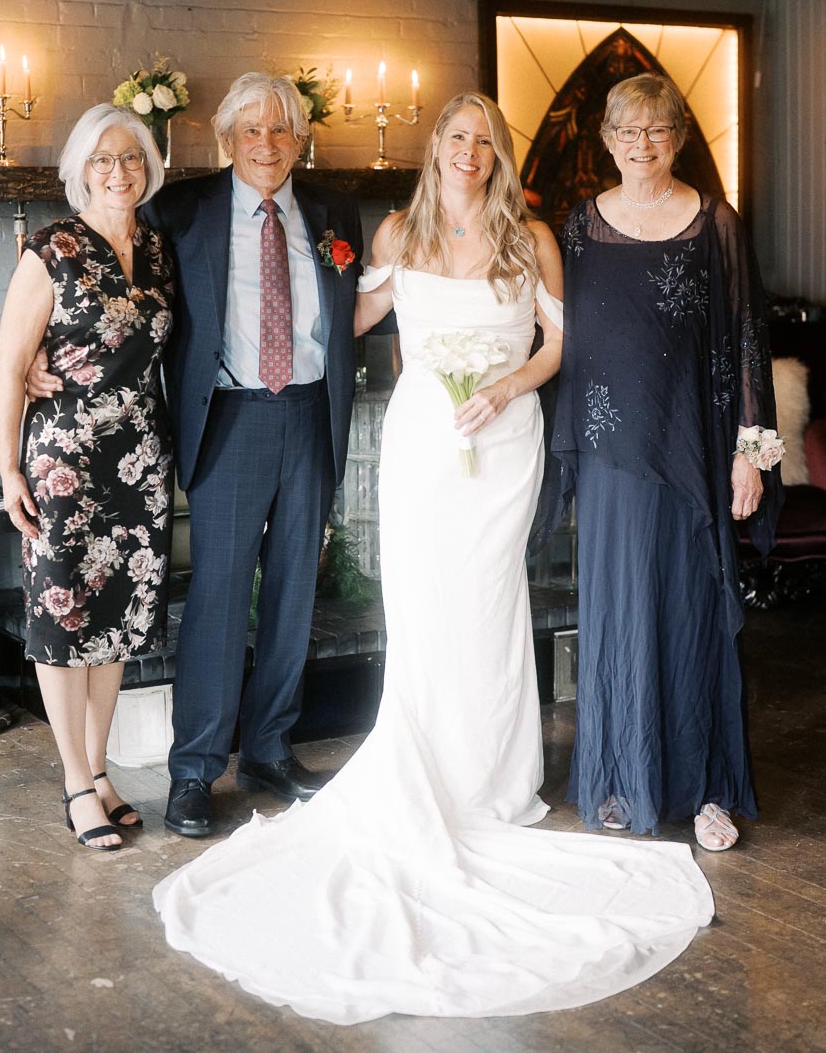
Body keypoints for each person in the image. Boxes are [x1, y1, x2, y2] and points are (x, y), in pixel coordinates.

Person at [152, 92, 713, 1023]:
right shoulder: (396, 233)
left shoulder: (529, 238)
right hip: (421, 446)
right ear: (437, 148)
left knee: (488, 605)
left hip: (501, 443)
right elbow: (348, 316)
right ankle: (422, 767)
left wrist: (504, 387)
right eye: (456, 137)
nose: (468, 152)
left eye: (483, 141)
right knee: (420, 607)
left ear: (497, 155)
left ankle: (495, 779)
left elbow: (560, 344)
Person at [552, 73, 784, 850]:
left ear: (679, 137)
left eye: (657, 131)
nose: (641, 145)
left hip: (697, 453)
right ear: (607, 141)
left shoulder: (716, 221)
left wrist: (753, 458)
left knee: (692, 620)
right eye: (627, 132)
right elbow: (565, 341)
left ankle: (710, 789)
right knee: (618, 620)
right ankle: (621, 778)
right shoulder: (580, 226)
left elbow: (751, 341)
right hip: (612, 458)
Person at [141, 72, 363, 836]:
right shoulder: (181, 211)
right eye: (251, 131)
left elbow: (359, 312)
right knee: (219, 598)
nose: (266, 145)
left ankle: (269, 748)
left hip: (310, 416)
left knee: (295, 593)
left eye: (280, 130)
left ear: (300, 138)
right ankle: (196, 770)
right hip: (228, 420)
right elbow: (121, 296)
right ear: (225, 139)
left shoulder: (335, 213)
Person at [0, 103, 173, 852]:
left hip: (139, 458)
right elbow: (10, 366)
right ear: (80, 170)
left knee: (116, 625)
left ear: (149, 166)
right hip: (63, 462)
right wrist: (8, 466)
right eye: (102, 160)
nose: (118, 172)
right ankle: (75, 783)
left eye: (131, 158)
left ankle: (99, 771)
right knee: (64, 622)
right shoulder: (51, 248)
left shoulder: (160, 250)